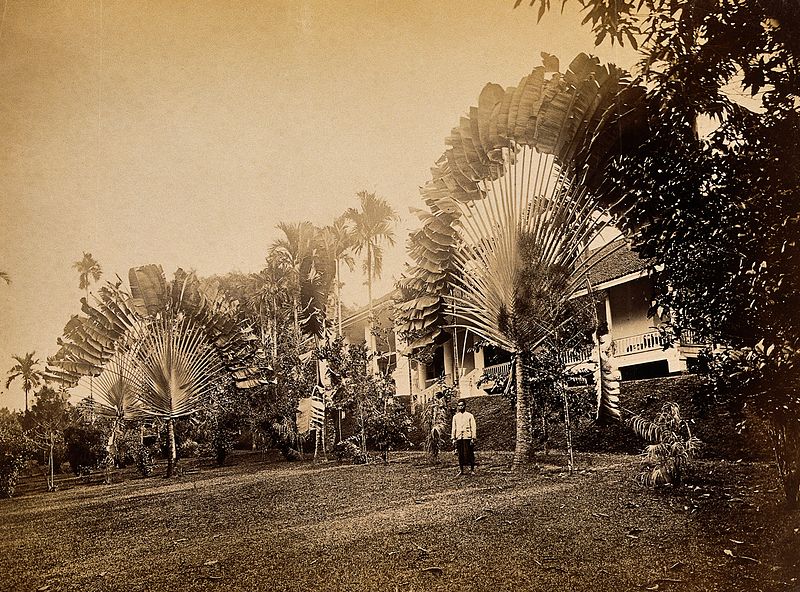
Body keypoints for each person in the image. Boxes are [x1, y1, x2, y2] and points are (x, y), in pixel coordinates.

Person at [451, 399, 477, 475]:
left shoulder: (469, 415)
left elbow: (473, 427)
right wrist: (453, 438)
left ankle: (472, 470)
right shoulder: (455, 417)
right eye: (459, 406)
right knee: (460, 454)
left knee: (470, 453)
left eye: (462, 405)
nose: (460, 407)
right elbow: (454, 427)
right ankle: (461, 470)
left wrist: (473, 438)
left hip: (467, 437)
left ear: (465, 406)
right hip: (459, 437)